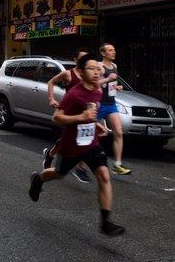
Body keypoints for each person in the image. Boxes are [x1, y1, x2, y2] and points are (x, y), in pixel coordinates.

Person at [29, 53, 125, 236]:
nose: (97, 72)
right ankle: (38, 179)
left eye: (99, 69)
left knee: (104, 175)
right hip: (71, 145)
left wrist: (96, 124)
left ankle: (105, 222)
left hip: (91, 144)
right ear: (81, 72)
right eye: (92, 69)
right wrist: (80, 118)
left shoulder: (97, 90)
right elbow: (56, 117)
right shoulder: (74, 94)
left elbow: (90, 114)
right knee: (58, 174)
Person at [44, 49, 93, 184]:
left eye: (86, 58)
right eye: (82, 58)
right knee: (73, 139)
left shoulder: (89, 75)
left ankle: (51, 154)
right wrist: (51, 99)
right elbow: (51, 82)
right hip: (69, 113)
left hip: (84, 113)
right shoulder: (68, 74)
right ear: (75, 60)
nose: (85, 61)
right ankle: (78, 168)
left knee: (78, 138)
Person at [98, 43, 130, 175]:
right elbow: (95, 84)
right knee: (93, 134)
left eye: (114, 50)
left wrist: (116, 87)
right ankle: (79, 165)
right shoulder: (99, 67)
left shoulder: (114, 66)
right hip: (99, 104)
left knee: (118, 132)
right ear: (103, 53)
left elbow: (111, 83)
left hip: (111, 104)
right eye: (110, 50)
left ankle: (117, 164)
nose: (114, 52)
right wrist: (107, 79)